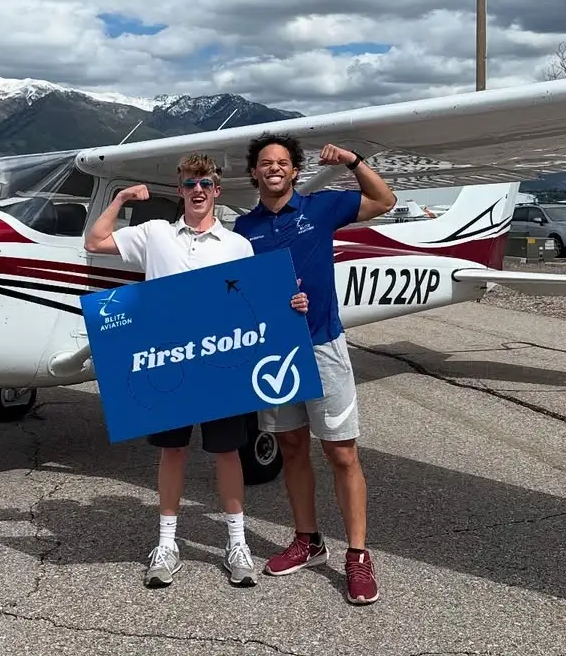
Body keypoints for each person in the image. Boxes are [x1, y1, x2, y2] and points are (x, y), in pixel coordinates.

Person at [85, 152, 310, 589]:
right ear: (180, 189)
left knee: (227, 452)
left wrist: (290, 303)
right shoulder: (154, 233)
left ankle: (236, 543)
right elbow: (95, 242)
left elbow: (256, 303)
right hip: (169, 363)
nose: (198, 191)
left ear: (217, 190)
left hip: (221, 363)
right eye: (190, 184)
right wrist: (123, 197)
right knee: (173, 451)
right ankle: (167, 544)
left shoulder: (237, 245)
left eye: (206, 184)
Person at [233, 134, 396, 605]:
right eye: (266, 163)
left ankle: (359, 555)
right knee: (290, 446)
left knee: (342, 453)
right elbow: (234, 292)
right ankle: (308, 540)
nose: (274, 169)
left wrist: (352, 161)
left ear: (295, 170)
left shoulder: (321, 208)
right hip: (276, 351)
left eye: (282, 162)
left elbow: (385, 200)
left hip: (322, 344)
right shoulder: (244, 229)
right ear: (254, 173)